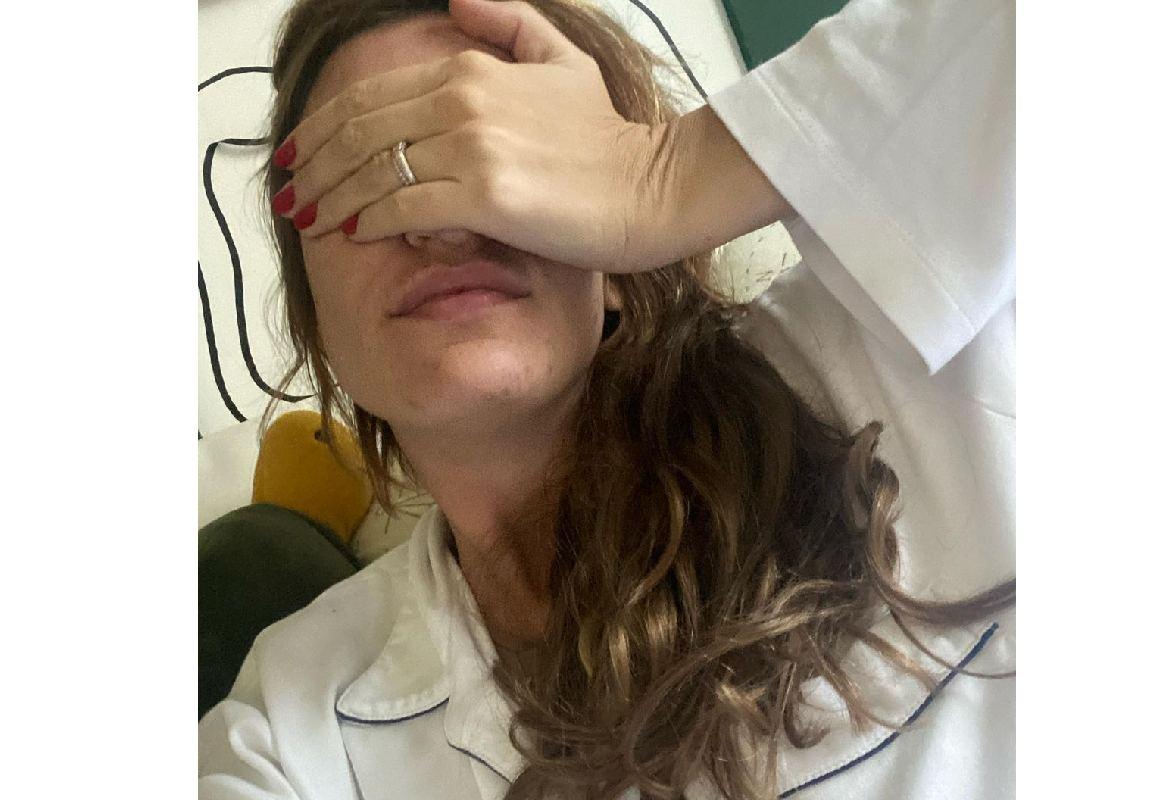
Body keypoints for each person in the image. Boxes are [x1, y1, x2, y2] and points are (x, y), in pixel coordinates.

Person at [199, 0, 1015, 798]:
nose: (441, 229)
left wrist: (669, 174)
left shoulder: (911, 362)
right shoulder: (288, 729)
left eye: (491, 153)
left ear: (612, 258)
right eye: (364, 174)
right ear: (316, 317)